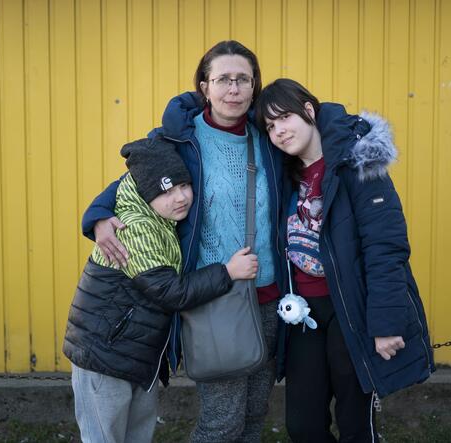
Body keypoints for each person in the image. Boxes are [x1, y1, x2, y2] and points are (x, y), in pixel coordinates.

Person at [80, 41, 284, 442]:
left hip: (271, 296)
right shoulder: (180, 140)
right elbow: (130, 181)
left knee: (255, 415)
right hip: (212, 298)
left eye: (243, 79)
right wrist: (99, 216)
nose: (233, 89)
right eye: (223, 79)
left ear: (255, 85)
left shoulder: (272, 136)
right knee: (221, 423)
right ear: (204, 86)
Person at [255, 78, 435, 443]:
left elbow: (386, 247)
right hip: (304, 314)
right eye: (270, 126)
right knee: (303, 425)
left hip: (351, 310)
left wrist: (385, 322)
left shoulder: (357, 164)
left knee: (355, 424)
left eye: (284, 118)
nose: (279, 131)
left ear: (309, 111)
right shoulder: (282, 174)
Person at [63, 137, 259, 443]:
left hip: (134, 353)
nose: (179, 198)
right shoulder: (134, 228)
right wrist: (228, 272)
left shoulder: (161, 219)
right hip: (105, 355)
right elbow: (171, 291)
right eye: (165, 192)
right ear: (145, 194)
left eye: (183, 186)